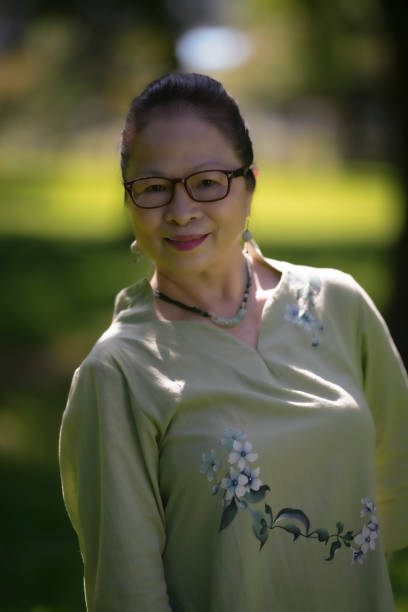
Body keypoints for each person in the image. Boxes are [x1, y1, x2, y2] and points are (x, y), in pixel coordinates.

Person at [59, 73, 408, 612]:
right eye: (153, 187)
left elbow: (396, 477)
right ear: (130, 201)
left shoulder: (339, 304)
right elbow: (127, 590)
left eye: (207, 181)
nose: (180, 211)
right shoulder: (119, 373)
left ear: (250, 185)